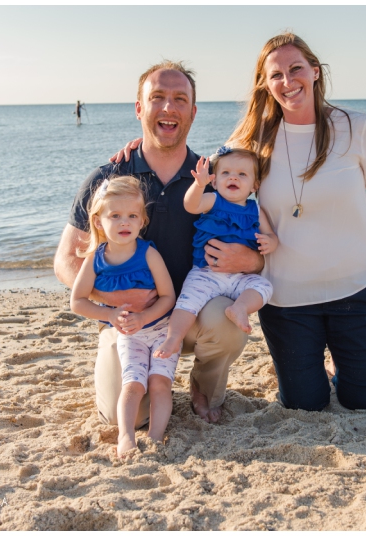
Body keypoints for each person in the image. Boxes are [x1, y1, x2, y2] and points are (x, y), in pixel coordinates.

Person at [54, 60, 263, 425]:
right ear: (139, 109)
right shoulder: (109, 179)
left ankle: (204, 387)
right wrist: (109, 300)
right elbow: (65, 261)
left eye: (180, 99)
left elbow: (261, 243)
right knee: (128, 418)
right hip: (131, 324)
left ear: (193, 113)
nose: (169, 107)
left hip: (195, 313)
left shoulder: (216, 178)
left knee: (229, 322)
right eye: (158, 98)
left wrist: (251, 261)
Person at [226, 32, 366, 412]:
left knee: (365, 402)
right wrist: (138, 148)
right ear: (265, 84)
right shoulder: (254, 139)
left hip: (357, 289)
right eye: (276, 75)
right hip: (286, 298)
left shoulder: (356, 127)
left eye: (296, 69)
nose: (288, 82)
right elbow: (212, 179)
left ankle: (348, 366)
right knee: (305, 405)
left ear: (315, 72)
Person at [69, 176, 177, 457]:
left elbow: (168, 297)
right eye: (115, 216)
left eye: (132, 216)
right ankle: (126, 437)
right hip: (129, 333)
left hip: (160, 329)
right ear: (98, 222)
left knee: (159, 383)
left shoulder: (148, 253)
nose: (124, 222)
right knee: (133, 384)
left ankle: (155, 436)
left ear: (142, 221)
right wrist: (110, 313)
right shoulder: (96, 259)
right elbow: (77, 301)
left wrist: (145, 317)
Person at [153, 147, 277, 360]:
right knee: (188, 302)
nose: (233, 178)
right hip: (206, 273)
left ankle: (240, 308)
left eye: (242, 174)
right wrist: (198, 185)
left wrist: (270, 243)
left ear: (255, 185)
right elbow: (190, 205)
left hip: (241, 277)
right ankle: (173, 337)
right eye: (226, 173)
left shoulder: (255, 210)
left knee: (264, 286)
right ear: (215, 181)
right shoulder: (212, 200)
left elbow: (270, 235)